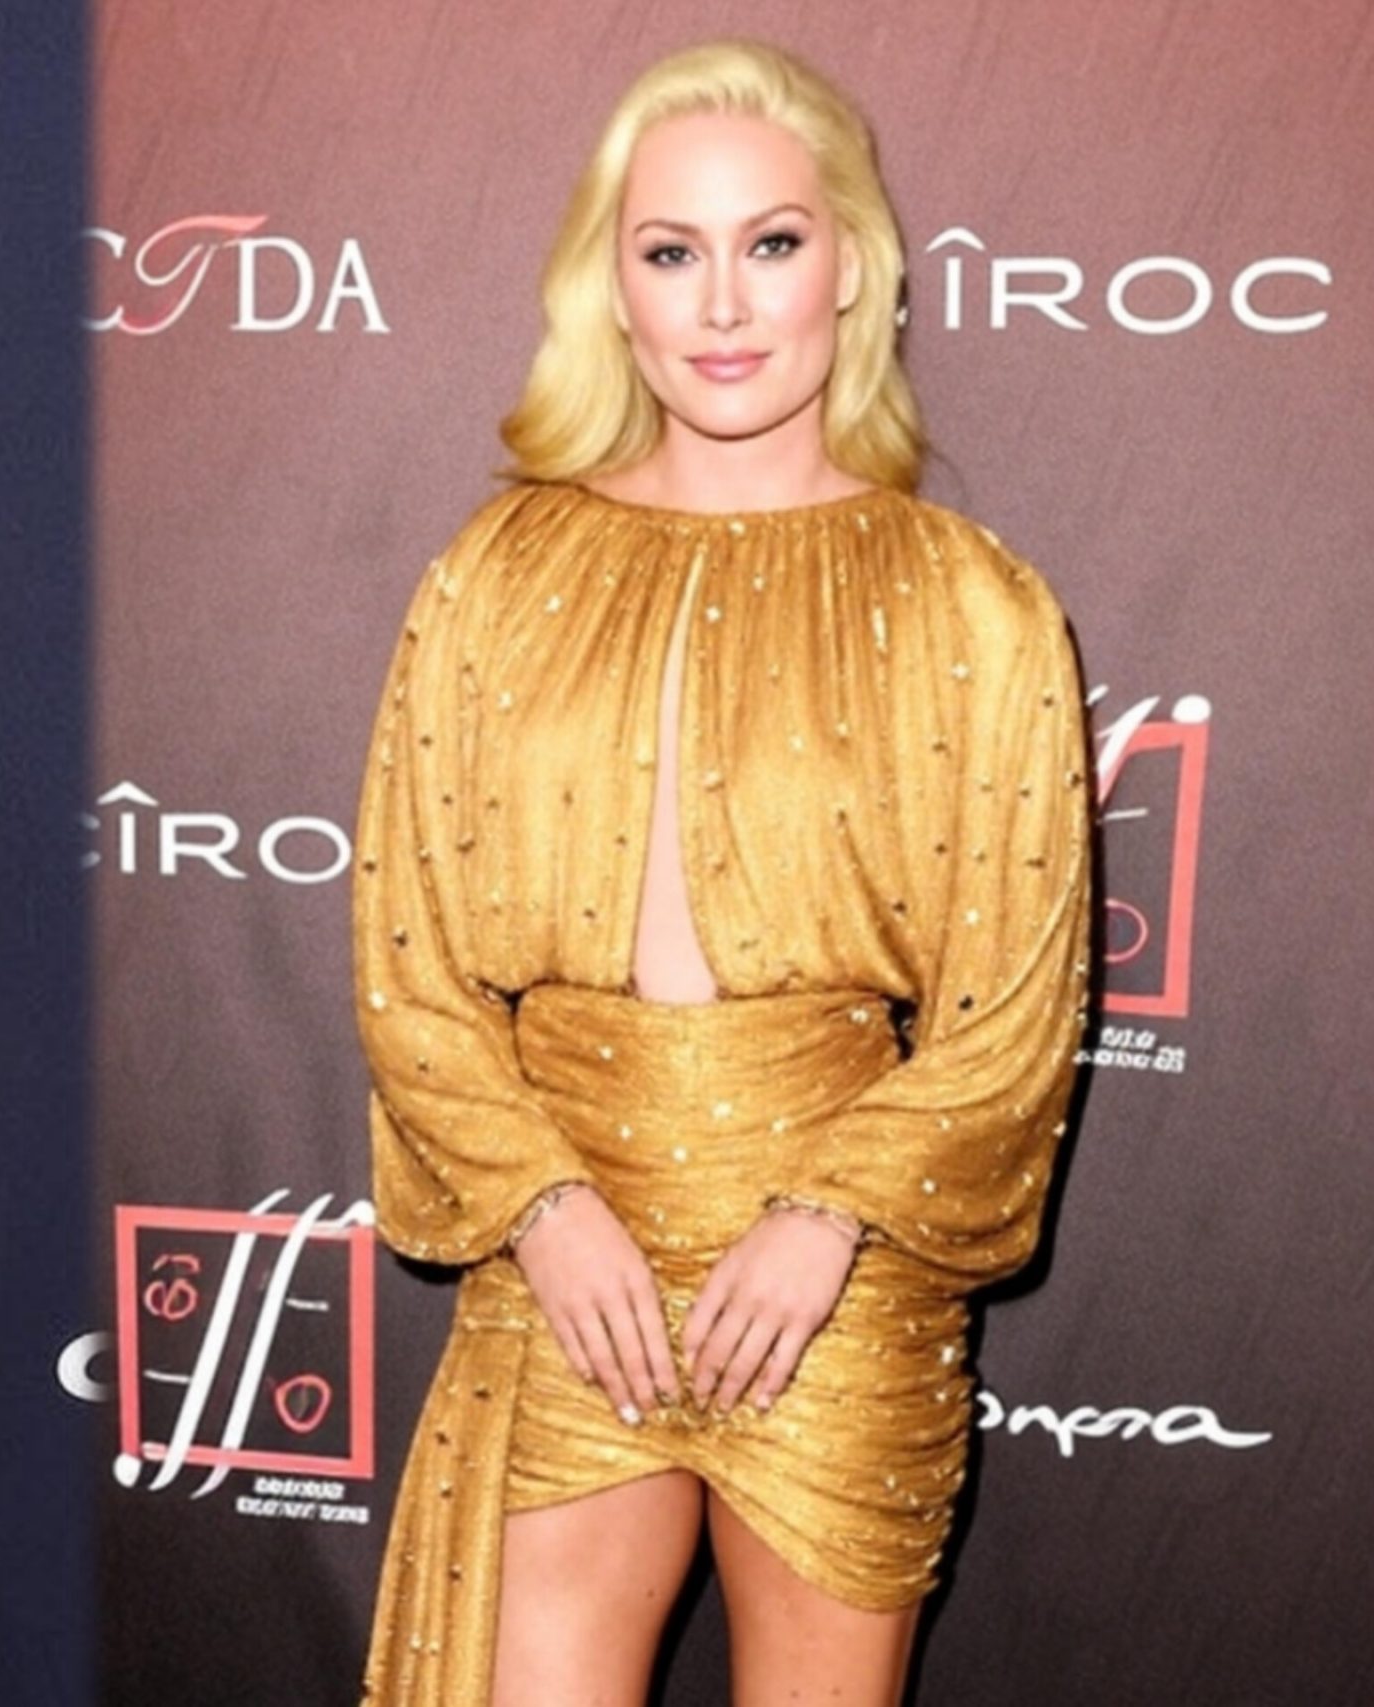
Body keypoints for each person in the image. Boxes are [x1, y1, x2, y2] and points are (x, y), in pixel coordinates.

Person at [352, 40, 1090, 1707]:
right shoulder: (494, 574)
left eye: (773, 242)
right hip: (568, 1266)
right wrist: (547, 1212)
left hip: (844, 1277)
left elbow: (1013, 1013)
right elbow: (411, 963)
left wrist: (829, 1220)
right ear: (612, 291)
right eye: (672, 251)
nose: (726, 302)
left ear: (856, 269)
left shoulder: (975, 603)